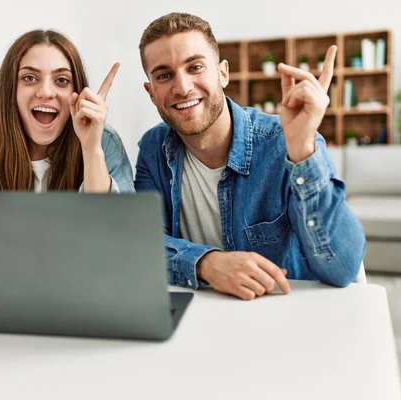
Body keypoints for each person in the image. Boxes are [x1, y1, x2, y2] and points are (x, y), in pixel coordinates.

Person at [135, 13, 366, 300]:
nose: (182, 87)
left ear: (223, 73)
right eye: (164, 75)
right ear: (151, 92)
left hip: (284, 318)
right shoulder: (152, 149)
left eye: (195, 67)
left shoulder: (285, 141)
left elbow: (342, 269)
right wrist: (207, 263)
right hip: (202, 319)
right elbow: (143, 246)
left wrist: (302, 149)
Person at [0, 29, 134, 194]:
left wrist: (91, 149)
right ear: (11, 90)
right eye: (29, 78)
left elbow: (112, 227)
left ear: (76, 92)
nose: (46, 92)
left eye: (62, 80)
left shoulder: (104, 141)